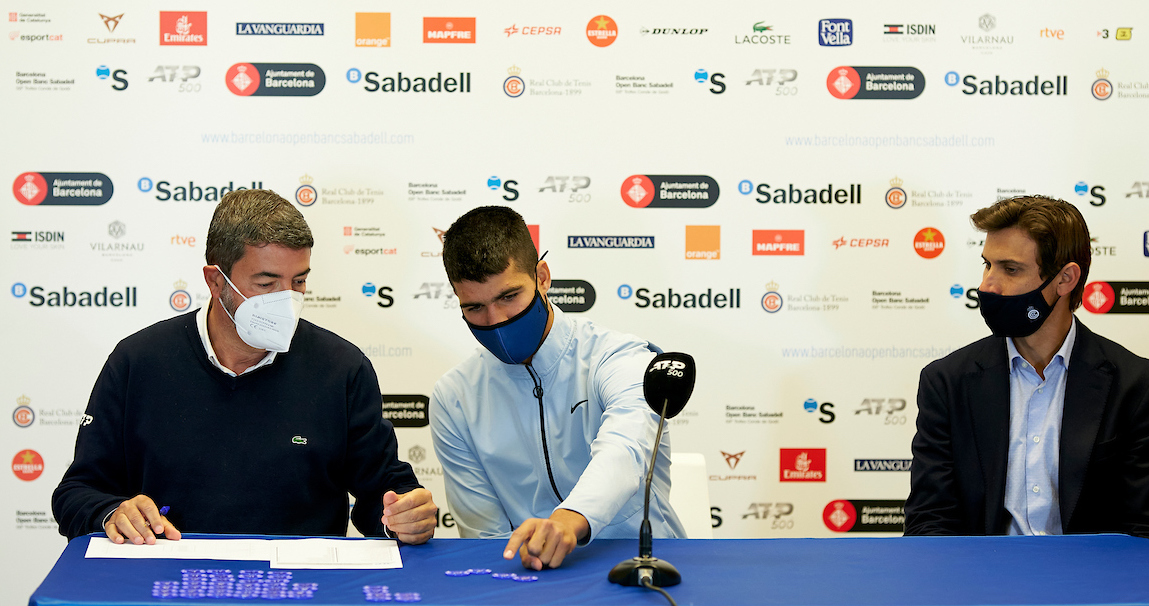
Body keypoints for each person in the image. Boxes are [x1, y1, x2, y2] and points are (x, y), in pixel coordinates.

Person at [52, 190, 437, 545]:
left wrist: (403, 517)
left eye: (298, 281)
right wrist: (110, 514)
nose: (287, 300)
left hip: (301, 590)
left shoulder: (342, 368)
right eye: (267, 283)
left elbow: (384, 494)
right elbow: (77, 494)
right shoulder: (138, 361)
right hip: (170, 585)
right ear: (216, 281)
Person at [905, 195, 1149, 555]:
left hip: (1089, 588)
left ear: (1065, 278)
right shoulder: (947, 381)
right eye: (987, 265)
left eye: (1010, 269)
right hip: (982, 584)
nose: (988, 285)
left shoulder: (1134, 383)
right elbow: (929, 522)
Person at [430, 206, 686, 570]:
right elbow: (485, 538)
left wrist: (568, 520)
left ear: (543, 277)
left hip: (643, 566)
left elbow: (625, 450)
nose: (496, 321)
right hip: (531, 576)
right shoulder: (453, 397)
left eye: (508, 297)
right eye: (474, 308)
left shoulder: (618, 356)